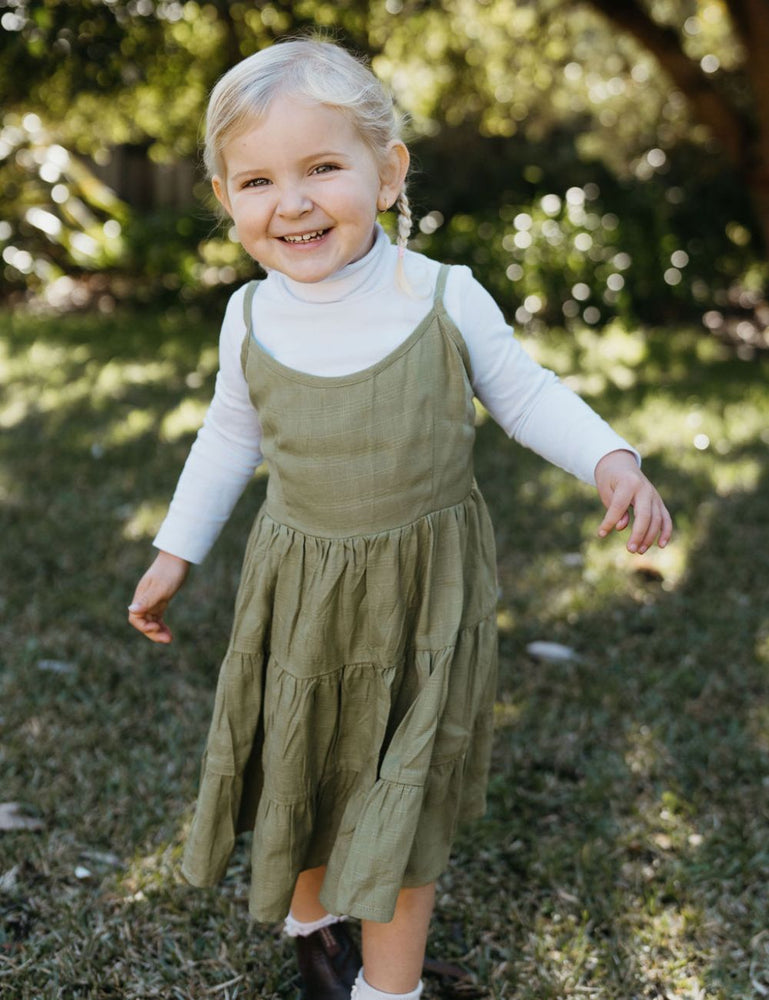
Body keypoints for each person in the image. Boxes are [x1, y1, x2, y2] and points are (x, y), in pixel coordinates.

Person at [128, 38, 672, 1000]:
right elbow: (226, 440)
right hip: (303, 597)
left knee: (403, 796)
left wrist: (610, 458)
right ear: (223, 198)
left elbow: (525, 393)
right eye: (256, 180)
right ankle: (316, 931)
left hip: (423, 599)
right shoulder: (250, 319)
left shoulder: (439, 297)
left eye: (322, 168)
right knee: (307, 769)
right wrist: (175, 552)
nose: (291, 202)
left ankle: (390, 990)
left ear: (388, 173)